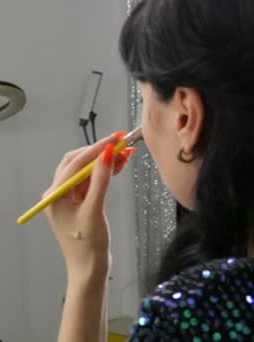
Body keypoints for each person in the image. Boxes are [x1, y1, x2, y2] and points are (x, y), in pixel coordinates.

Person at [44, 0, 254, 340]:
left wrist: (86, 270)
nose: (140, 130)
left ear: (186, 115)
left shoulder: (198, 309)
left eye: (144, 100)